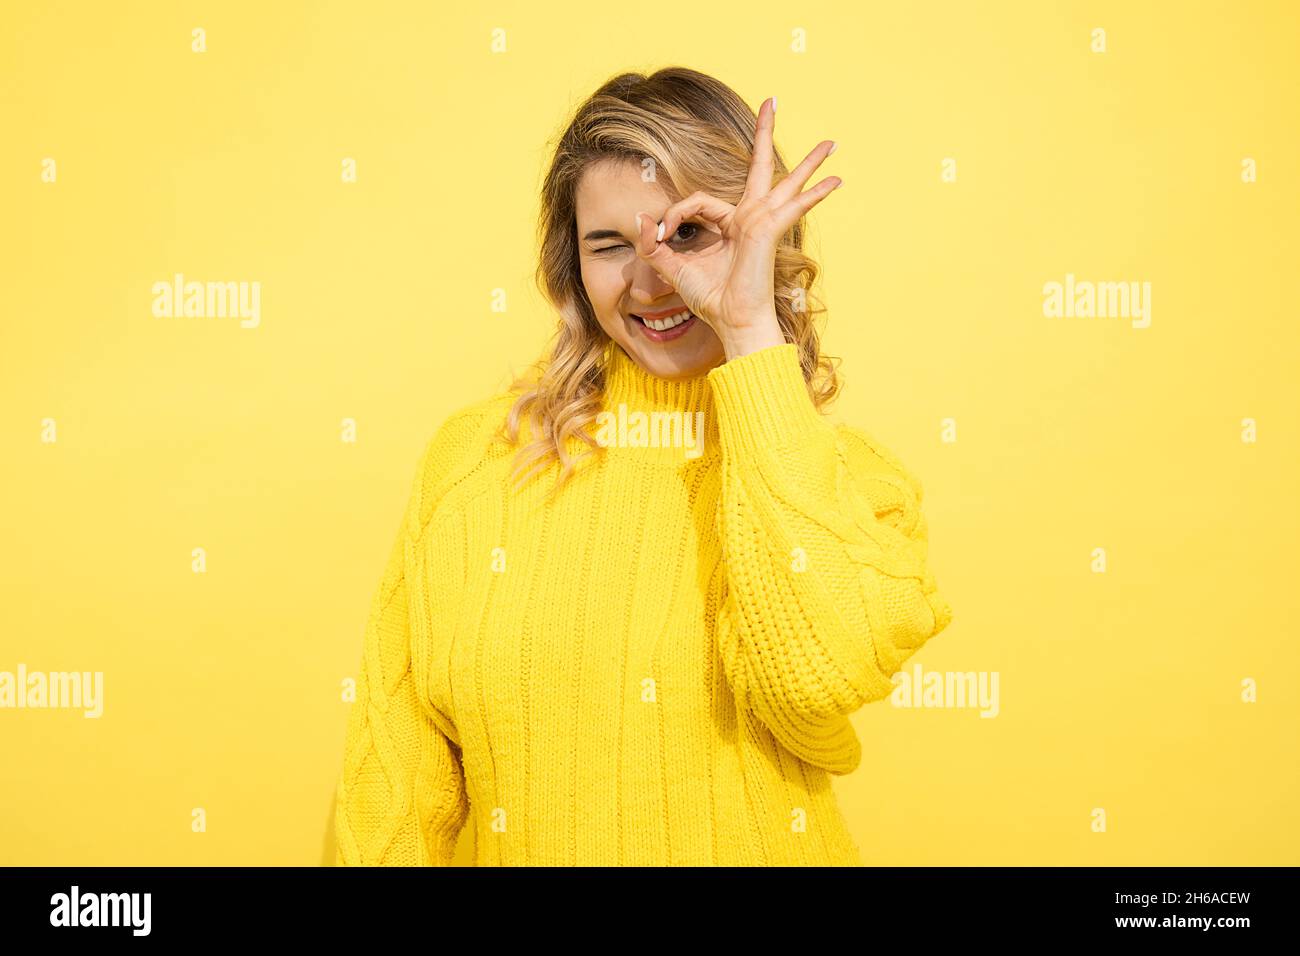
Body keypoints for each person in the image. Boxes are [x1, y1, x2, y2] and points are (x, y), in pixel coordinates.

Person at [333, 66, 954, 867]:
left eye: (688, 234)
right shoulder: (477, 461)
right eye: (608, 245)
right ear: (570, 268)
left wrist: (748, 328)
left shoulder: (849, 479)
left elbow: (818, 679)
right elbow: (395, 780)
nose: (653, 277)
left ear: (761, 237)